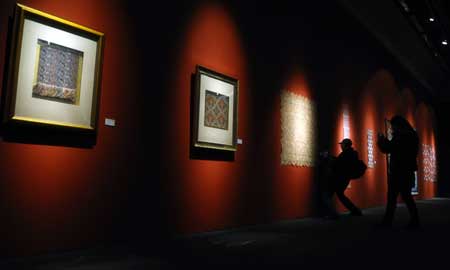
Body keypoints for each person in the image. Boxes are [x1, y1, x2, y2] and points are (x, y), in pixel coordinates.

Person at [377, 115, 420, 229]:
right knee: (406, 196)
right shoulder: (412, 136)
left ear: (398, 125)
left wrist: (381, 140)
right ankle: (414, 220)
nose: (392, 129)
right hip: (407, 171)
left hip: (398, 171)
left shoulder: (401, 136)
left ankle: (387, 222)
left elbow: (389, 148)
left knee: (392, 198)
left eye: (393, 126)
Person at [320, 139, 363, 218]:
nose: (340, 146)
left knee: (326, 195)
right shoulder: (351, 154)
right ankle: (355, 210)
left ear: (345, 145)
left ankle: (333, 214)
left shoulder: (346, 154)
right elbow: (340, 162)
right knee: (340, 195)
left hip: (339, 179)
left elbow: (339, 165)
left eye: (342, 144)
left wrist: (329, 159)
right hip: (345, 178)